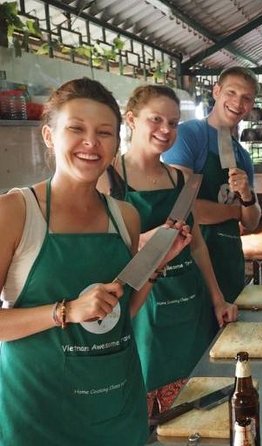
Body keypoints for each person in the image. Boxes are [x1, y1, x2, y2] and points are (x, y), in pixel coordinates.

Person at [0, 78, 190, 445]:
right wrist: (65, 311)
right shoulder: (15, 212)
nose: (91, 143)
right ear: (49, 136)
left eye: (104, 132)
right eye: (76, 129)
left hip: (116, 403)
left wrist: (155, 264)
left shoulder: (126, 217)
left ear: (117, 142)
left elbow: (120, 312)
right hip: (40, 413)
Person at [97, 85, 238, 416]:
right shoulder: (108, 179)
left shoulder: (182, 178)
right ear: (131, 120)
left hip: (189, 301)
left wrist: (218, 299)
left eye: (173, 123)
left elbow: (198, 244)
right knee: (145, 402)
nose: (166, 130)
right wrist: (147, 242)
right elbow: (104, 253)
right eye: (156, 119)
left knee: (193, 403)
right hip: (142, 306)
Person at [162, 66, 262, 303]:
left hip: (229, 260)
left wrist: (246, 195)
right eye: (231, 92)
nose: (238, 103)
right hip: (192, 256)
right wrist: (235, 210)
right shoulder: (189, 135)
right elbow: (184, 209)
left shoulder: (241, 155)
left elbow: (253, 221)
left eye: (246, 98)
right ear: (216, 91)